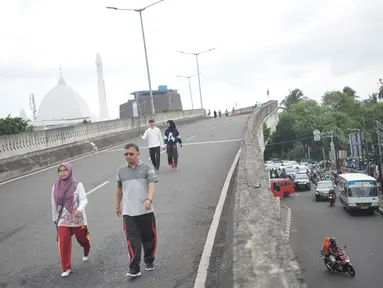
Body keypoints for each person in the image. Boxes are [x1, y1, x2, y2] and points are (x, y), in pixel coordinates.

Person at [116, 143, 158, 278]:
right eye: (126, 154)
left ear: (138, 154)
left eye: (131, 154)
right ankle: (134, 267)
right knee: (132, 239)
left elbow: (151, 186)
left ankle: (149, 260)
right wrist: (118, 205)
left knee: (148, 237)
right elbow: (119, 190)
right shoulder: (121, 171)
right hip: (129, 212)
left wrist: (149, 199)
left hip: (146, 211)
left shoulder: (147, 168)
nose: (128, 156)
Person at [51, 162, 91, 278]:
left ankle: (86, 248)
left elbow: (84, 200)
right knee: (63, 242)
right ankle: (66, 267)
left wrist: (79, 209)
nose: (62, 172)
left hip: (76, 218)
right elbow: (53, 203)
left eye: (65, 170)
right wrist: (55, 218)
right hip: (62, 219)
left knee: (82, 238)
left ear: (70, 171)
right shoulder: (55, 187)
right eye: (60, 171)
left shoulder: (77, 185)